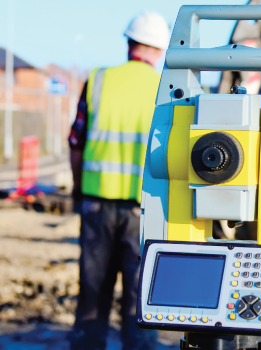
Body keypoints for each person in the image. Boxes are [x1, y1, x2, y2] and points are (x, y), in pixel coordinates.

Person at [67, 12, 169, 350]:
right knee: (141, 299)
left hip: (96, 204)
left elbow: (76, 143)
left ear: (129, 43)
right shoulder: (166, 89)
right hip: (146, 211)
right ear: (159, 49)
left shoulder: (98, 79)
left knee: (93, 290)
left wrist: (78, 189)